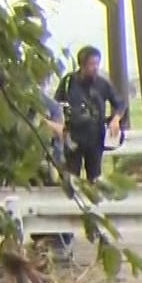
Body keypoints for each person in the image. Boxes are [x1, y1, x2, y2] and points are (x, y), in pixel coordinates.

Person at [54, 45, 126, 184]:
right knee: (71, 178)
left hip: (95, 137)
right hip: (73, 136)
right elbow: (56, 106)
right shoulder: (68, 82)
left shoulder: (102, 84)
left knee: (94, 178)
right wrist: (60, 127)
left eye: (97, 63)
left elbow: (120, 104)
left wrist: (116, 119)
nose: (95, 67)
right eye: (91, 64)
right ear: (82, 65)